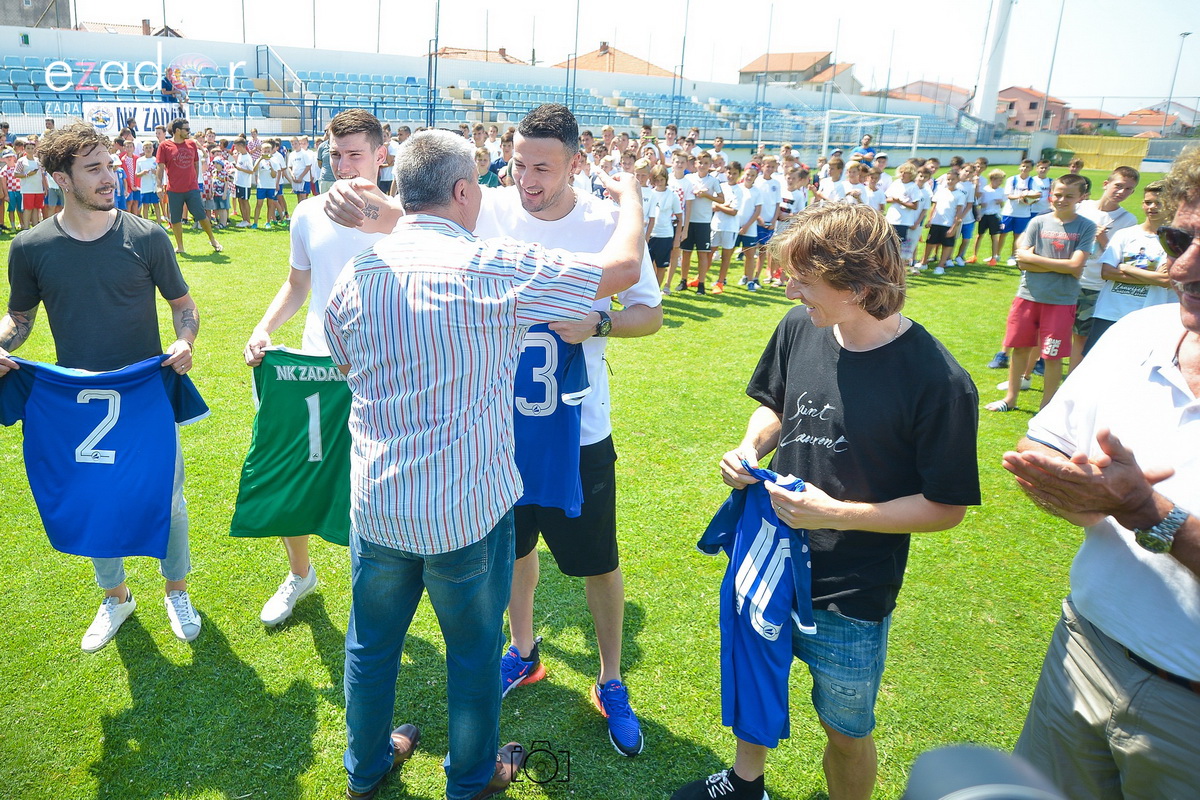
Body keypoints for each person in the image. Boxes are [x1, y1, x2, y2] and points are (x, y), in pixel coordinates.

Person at [324, 127, 645, 800]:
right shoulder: (491, 265)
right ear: (465, 191)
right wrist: (636, 198)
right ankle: (470, 779)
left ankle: (364, 768)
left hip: (379, 503)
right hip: (464, 509)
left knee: (371, 648)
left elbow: (343, 361)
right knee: (472, 656)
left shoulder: (360, 271)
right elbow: (618, 272)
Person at [674, 202, 980, 800]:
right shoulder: (800, 326)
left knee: (845, 732)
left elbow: (946, 507)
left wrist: (833, 514)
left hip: (851, 590)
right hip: (770, 560)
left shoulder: (938, 381)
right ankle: (745, 783)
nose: (791, 290)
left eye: (806, 281)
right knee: (756, 679)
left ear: (861, 287)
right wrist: (749, 447)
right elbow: (776, 406)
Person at [1001, 147, 1200, 800]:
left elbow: (1139, 510)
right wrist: (1081, 492)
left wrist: (1152, 515)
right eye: (1179, 238)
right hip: (1080, 653)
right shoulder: (1139, 332)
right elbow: (1045, 448)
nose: (1181, 266)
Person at [0, 122, 202, 652]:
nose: (109, 177)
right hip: (76, 402)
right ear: (60, 177)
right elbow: (18, 320)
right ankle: (116, 597)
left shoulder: (146, 236)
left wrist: (185, 343)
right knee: (96, 499)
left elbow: (184, 308)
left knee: (170, 498)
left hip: (144, 395)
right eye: (93, 169)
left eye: (109, 165)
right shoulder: (30, 246)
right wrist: (1, 343)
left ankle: (176, 591)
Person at [241, 110, 390, 628]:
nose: (344, 166)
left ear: (380, 155)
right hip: (316, 365)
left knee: (371, 484)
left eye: (356, 155)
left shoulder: (404, 217)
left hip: (385, 372)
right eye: (336, 155)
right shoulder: (306, 212)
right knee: (299, 472)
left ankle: (369, 589)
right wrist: (264, 329)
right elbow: (298, 284)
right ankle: (300, 574)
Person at [987, 174, 1095, 412]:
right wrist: (1063, 265)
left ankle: (1047, 407)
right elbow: (1022, 261)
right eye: (1058, 194)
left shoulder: (1086, 226)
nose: (1062, 199)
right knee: (1020, 349)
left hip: (1061, 301)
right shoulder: (1039, 222)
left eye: (1069, 196)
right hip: (1028, 296)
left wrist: (1037, 261)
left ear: (1081, 197)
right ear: (1050, 193)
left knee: (1052, 356)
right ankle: (1010, 399)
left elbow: (1076, 265)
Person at [1083, 180, 1174, 354]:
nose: (1152, 207)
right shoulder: (1125, 234)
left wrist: (1126, 267)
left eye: (1159, 203)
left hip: (1147, 315)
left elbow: (1164, 280)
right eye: (1148, 202)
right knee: (1099, 363)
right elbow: (1107, 272)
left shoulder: (1174, 239)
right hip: (1109, 312)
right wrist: (1150, 277)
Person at [1072, 167, 1139, 363]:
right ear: (1106, 184)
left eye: (1128, 189)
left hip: (1095, 286)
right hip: (1068, 278)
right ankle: (1032, 370)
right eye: (1118, 186)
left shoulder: (1128, 220)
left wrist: (1103, 239)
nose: (1121, 192)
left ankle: (1071, 381)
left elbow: (1122, 258)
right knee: (1051, 331)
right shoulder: (1082, 207)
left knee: (1081, 337)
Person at [156, 118, 221, 254]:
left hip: (192, 188)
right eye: (186, 129)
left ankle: (213, 240)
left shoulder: (191, 144)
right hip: (174, 189)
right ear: (178, 130)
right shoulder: (164, 146)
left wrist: (193, 180)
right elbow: (160, 168)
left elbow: (196, 164)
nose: (189, 132)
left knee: (200, 214)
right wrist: (158, 185)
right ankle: (180, 246)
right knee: (175, 219)